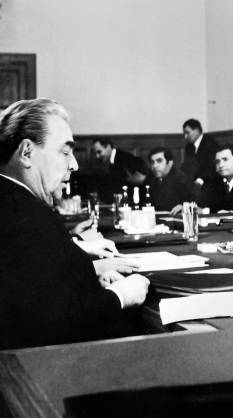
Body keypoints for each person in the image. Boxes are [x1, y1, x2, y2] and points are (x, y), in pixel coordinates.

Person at [0, 98, 150, 349]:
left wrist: (86, 281)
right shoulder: (26, 216)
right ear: (27, 152)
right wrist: (120, 296)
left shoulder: (14, 202)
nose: (74, 164)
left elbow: (35, 290)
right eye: (65, 152)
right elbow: (50, 325)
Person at [200, 143, 233, 213]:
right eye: (217, 161)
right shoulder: (213, 180)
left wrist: (206, 211)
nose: (220, 165)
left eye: (225, 160)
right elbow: (203, 205)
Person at [147, 147, 196, 215]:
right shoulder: (151, 180)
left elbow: (197, 202)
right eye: (152, 162)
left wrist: (183, 207)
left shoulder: (182, 179)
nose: (154, 166)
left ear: (170, 163)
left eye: (159, 161)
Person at [181, 118, 219, 187]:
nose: (185, 136)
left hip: (209, 184)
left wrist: (199, 181)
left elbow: (212, 168)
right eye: (184, 133)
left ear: (196, 130)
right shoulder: (189, 147)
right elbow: (186, 166)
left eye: (187, 133)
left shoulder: (211, 144)